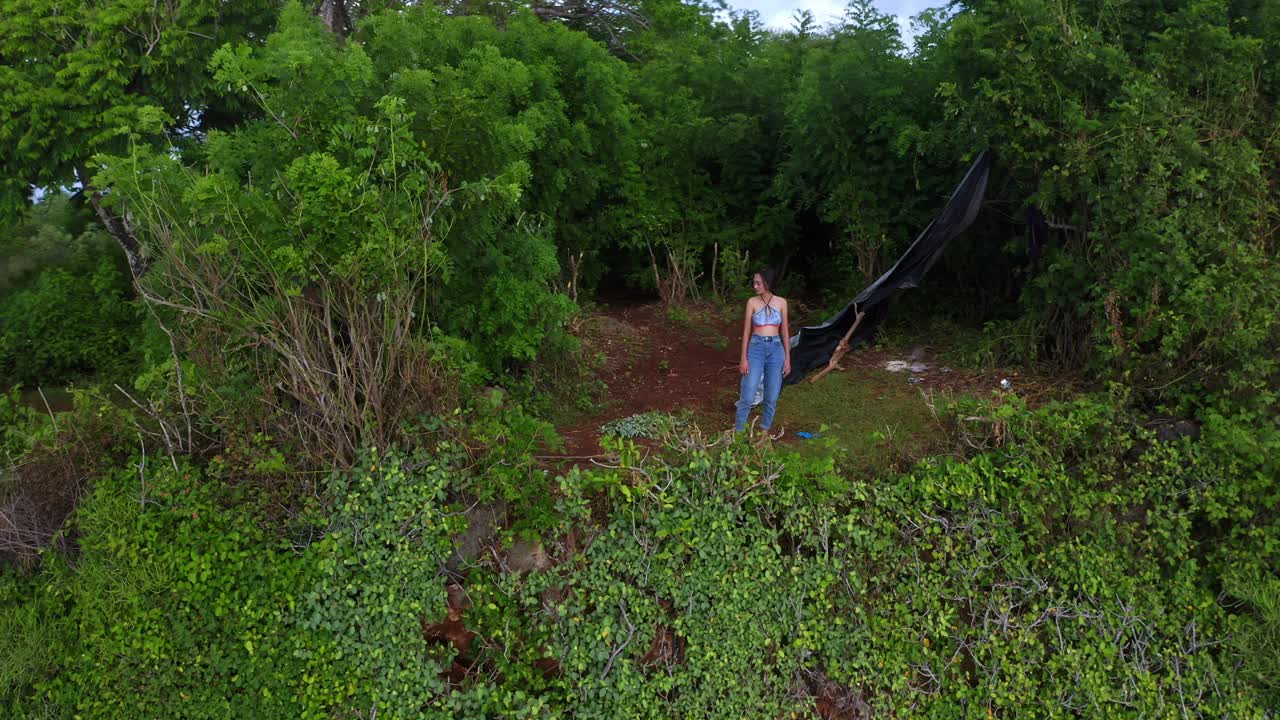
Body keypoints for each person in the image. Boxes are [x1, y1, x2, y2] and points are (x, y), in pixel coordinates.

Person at [735, 269, 790, 434]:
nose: (755, 286)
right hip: (756, 348)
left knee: (772, 394)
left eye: (758, 283)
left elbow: (785, 331)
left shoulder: (781, 302)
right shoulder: (752, 302)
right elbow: (746, 331)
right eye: (754, 282)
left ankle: (764, 432)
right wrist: (743, 358)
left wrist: (788, 358)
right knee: (748, 391)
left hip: (776, 349)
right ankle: (739, 433)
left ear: (768, 283)